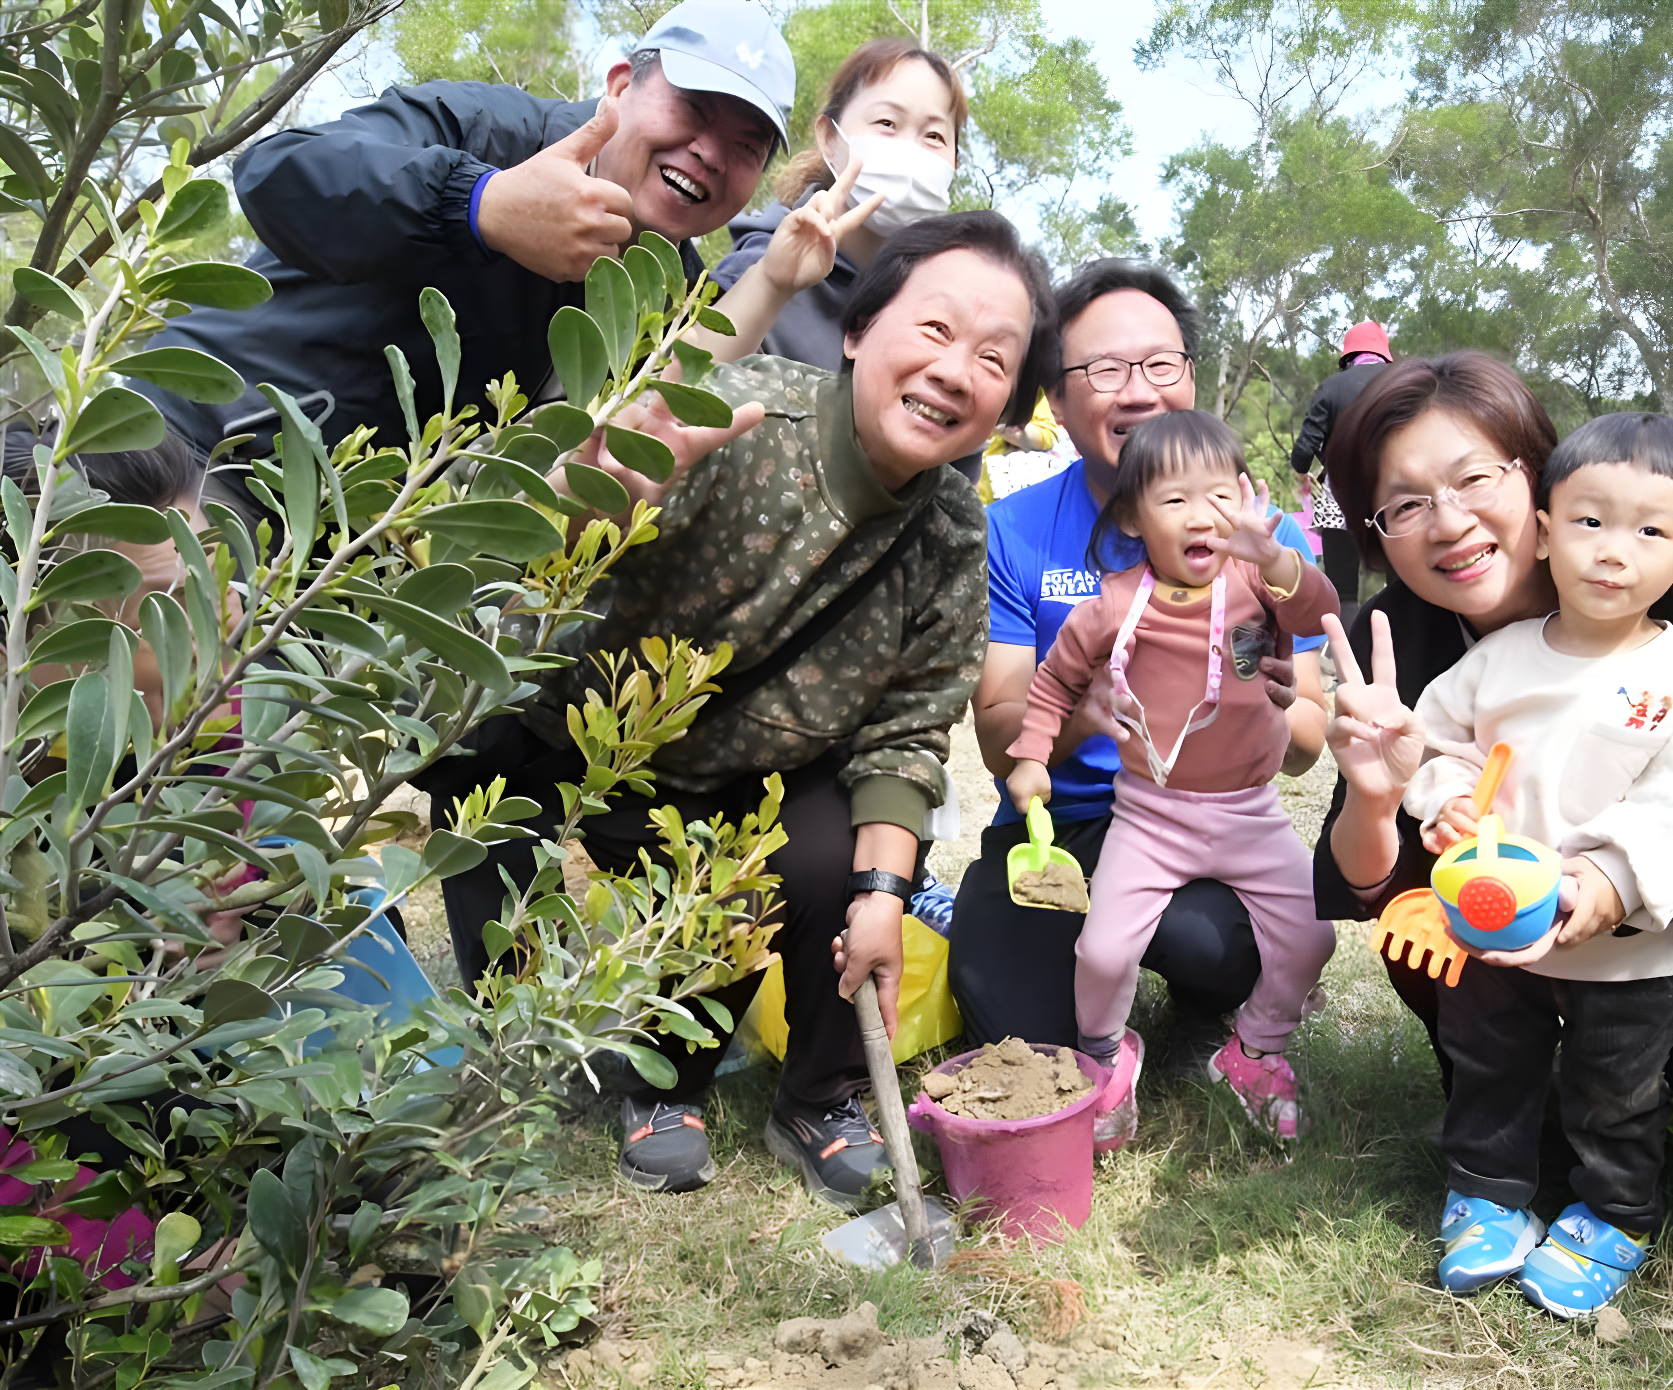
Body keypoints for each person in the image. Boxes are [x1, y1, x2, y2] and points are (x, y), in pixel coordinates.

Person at [419, 211, 1056, 1206]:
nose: (953, 371)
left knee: (835, 848)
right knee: (491, 779)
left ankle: (804, 1095)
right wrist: (605, 502)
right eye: (935, 329)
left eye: (993, 358)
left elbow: (908, 728)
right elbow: (536, 542)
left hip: (752, 770)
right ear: (858, 331)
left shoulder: (949, 537)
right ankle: (577, 1049)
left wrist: (882, 898)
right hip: (581, 738)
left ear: (1007, 404)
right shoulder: (740, 416)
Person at [1313, 351, 1673, 1161]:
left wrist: (1625, 886)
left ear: (1539, 478)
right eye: (1405, 504)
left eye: (1474, 478)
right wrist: (1379, 798)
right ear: (1377, 534)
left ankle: (1661, 1066)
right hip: (1525, 902)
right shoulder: (1395, 642)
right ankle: (1517, 1084)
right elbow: (1364, 884)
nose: (1448, 523)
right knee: (1420, 910)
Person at [1378, 414, 1673, 1316]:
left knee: (1617, 1084)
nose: (1613, 550)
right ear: (1546, 534)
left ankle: (1615, 1211)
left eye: (1650, 531)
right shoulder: (1497, 661)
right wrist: (1447, 798)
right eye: (1589, 521)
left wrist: (1611, 881)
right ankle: (1486, 1194)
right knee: (1487, 1059)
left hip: (1625, 947)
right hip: (1494, 922)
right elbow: (1436, 744)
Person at [950, 259, 1329, 1121]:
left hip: (1210, 812)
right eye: (1105, 370)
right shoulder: (1012, 530)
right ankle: (1101, 1034)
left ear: (1189, 375)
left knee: (1226, 945)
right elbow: (1000, 732)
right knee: (1015, 1022)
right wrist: (1085, 715)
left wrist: (1276, 701)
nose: (1139, 390)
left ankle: (1221, 1022)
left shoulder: (1263, 541)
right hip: (1056, 827)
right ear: (1055, 395)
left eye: (1161, 364)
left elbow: (1307, 741)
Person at [136, 0, 795, 463]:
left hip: (345, 559)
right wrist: (478, 204)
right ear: (620, 87)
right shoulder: (487, 130)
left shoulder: (673, 295)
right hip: (197, 441)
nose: (710, 153)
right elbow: (276, 174)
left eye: (747, 146)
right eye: (693, 109)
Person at [1003, 411, 1339, 1138]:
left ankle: (1256, 1049)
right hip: (1150, 816)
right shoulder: (1116, 603)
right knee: (1102, 951)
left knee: (1314, 938)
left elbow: (1320, 610)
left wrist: (1280, 563)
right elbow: (1054, 682)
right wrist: (1031, 755)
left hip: (1251, 812)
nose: (1201, 516)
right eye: (1175, 499)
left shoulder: (1258, 584)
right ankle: (1105, 1059)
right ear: (1133, 515)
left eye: (1219, 495)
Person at [710, 38, 966, 369]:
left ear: (954, 163)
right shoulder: (761, 266)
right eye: (887, 123)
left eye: (934, 136)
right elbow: (675, 383)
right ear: (830, 140)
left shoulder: (940, 304)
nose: (910, 150)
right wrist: (769, 284)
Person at [1292, 322, 1393, 626]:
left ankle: (1348, 657)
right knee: (1403, 585)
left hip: (1341, 500)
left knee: (1343, 592)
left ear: (1348, 356)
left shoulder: (1332, 387)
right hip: (1396, 496)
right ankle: (1401, 654)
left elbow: (1304, 450)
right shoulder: (1405, 381)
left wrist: (1302, 474)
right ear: (1384, 354)